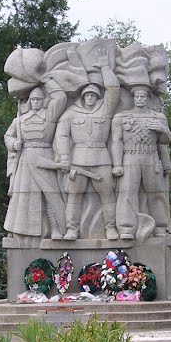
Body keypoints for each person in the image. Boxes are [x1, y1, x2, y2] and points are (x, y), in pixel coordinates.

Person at [54, 67, 121, 240]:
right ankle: (72, 229)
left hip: (101, 159)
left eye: (93, 95)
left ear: (98, 97)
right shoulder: (71, 113)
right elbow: (61, 135)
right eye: (87, 95)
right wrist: (65, 157)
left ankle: (111, 228)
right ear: (83, 97)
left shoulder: (105, 109)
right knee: (74, 196)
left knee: (108, 195)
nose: (90, 98)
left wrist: (105, 67)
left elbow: (113, 89)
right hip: (78, 160)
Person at [3, 87, 67, 240]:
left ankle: (55, 229)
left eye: (38, 99)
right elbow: (8, 136)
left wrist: (47, 80)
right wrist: (13, 144)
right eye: (33, 99)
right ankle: (20, 230)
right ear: (29, 102)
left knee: (50, 194)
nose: (36, 102)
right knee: (23, 195)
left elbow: (60, 98)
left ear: (43, 101)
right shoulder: (19, 120)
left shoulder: (49, 117)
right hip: (26, 159)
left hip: (45, 156)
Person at [110, 85, 171, 239]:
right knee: (127, 193)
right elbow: (116, 141)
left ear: (147, 99)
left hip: (151, 157)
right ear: (133, 98)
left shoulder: (158, 118)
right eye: (137, 97)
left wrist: (163, 130)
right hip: (130, 157)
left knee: (155, 193)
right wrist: (117, 164)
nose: (140, 99)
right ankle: (126, 228)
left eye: (143, 97)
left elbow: (164, 141)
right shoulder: (121, 117)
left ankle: (160, 227)